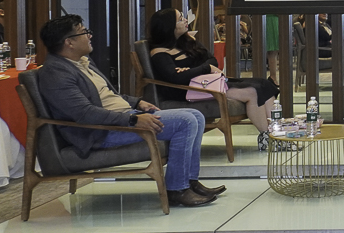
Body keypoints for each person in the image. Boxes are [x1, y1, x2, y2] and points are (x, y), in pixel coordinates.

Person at [36, 14, 222, 207]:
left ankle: (189, 182)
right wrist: (133, 120)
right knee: (185, 121)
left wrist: (137, 102)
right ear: (69, 42)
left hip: (121, 119)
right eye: (84, 32)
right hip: (100, 131)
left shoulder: (82, 62)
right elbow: (85, 113)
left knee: (196, 116)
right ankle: (177, 189)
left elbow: (107, 95)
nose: (90, 35)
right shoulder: (56, 73)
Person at [146, 9, 281, 151]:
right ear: (169, 27)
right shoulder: (159, 53)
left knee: (265, 84)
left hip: (208, 83)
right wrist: (205, 68)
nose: (185, 20)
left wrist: (193, 70)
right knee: (253, 92)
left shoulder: (187, 41)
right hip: (188, 90)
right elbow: (176, 78)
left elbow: (212, 60)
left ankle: (276, 135)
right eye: (180, 19)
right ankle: (267, 138)